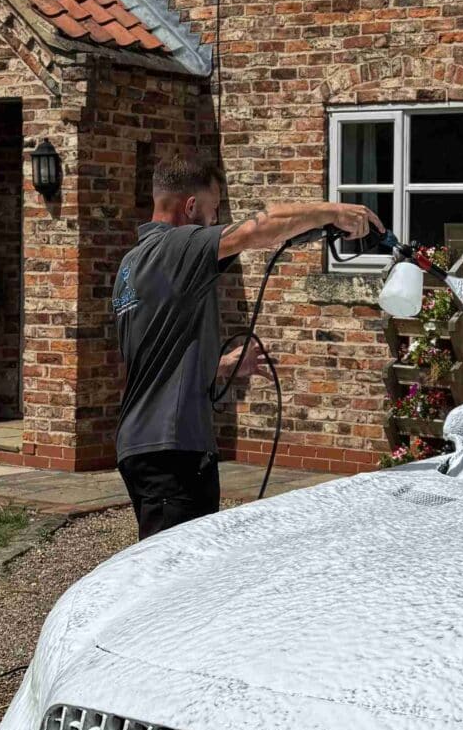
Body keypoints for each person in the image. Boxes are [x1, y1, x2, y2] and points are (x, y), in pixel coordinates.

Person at [112, 151, 381, 541]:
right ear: (190, 207)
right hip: (172, 448)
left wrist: (220, 366)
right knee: (176, 582)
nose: (215, 220)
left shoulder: (131, 265)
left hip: (142, 443)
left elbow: (156, 361)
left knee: (174, 571)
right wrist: (334, 211)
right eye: (213, 209)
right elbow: (261, 228)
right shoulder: (176, 247)